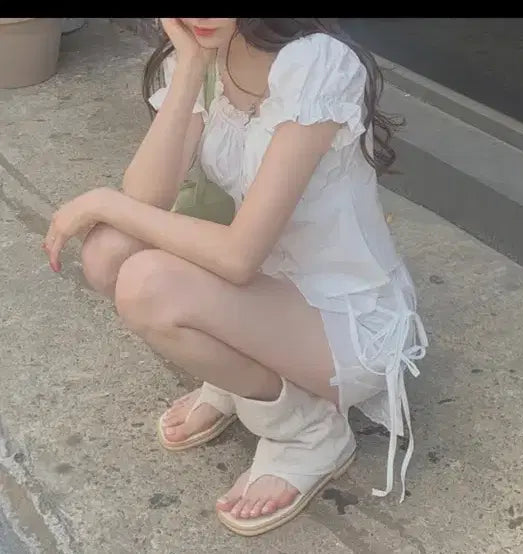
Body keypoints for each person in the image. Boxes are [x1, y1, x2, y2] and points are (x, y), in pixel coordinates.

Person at [42, 18, 428, 536]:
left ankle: (307, 431)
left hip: (343, 318)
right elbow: (145, 198)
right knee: (108, 252)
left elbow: (238, 257)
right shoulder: (206, 51)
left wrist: (101, 201)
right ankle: (239, 376)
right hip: (262, 293)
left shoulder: (315, 62)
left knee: (145, 283)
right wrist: (191, 68)